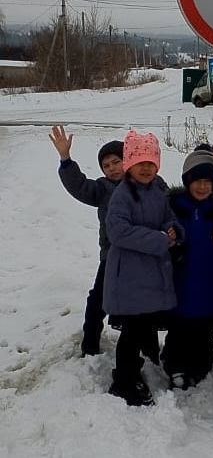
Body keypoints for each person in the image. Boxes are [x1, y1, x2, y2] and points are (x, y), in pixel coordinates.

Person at [103, 130, 183, 407]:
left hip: (149, 273)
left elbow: (167, 218)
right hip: (129, 275)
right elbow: (118, 231)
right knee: (133, 330)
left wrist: (173, 229)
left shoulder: (157, 191)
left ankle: (144, 363)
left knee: (146, 323)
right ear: (129, 165)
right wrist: (159, 240)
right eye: (141, 163)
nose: (147, 168)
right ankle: (123, 380)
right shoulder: (123, 195)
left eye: (151, 163)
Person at [49, 125, 124, 356]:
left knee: (140, 306)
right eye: (106, 165)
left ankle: (147, 348)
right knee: (97, 300)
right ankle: (90, 344)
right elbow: (80, 186)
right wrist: (65, 159)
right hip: (111, 256)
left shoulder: (146, 182)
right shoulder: (103, 188)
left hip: (142, 257)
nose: (111, 168)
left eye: (116, 161)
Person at [161, 149, 213, 389]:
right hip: (182, 280)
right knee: (179, 329)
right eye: (196, 181)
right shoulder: (174, 207)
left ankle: (201, 364)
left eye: (207, 182)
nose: (202, 187)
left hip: (211, 283)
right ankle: (175, 366)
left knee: (204, 330)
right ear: (187, 181)